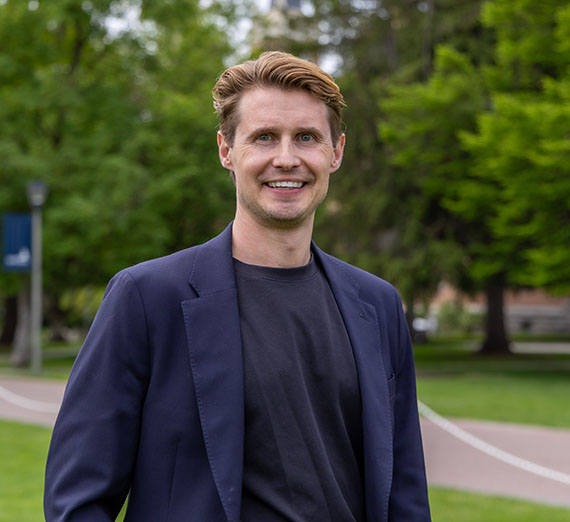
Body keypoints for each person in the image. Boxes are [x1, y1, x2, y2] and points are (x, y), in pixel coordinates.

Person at [45, 51, 431, 522]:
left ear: (336, 152)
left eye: (306, 137)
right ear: (227, 151)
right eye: (264, 137)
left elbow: (404, 493)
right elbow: (77, 501)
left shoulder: (378, 305)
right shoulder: (147, 298)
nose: (286, 159)